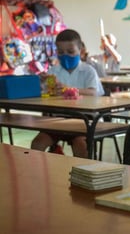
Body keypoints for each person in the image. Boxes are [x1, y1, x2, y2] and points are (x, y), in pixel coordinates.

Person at [31, 29, 105, 158]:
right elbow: (45, 94)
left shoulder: (88, 71)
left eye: (70, 52)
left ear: (81, 51)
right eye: (60, 52)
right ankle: (41, 174)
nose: (65, 56)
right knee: (37, 144)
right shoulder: (54, 71)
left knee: (81, 146)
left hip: (83, 120)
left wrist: (69, 89)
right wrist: (43, 83)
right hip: (58, 119)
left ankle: (82, 175)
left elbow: (94, 93)